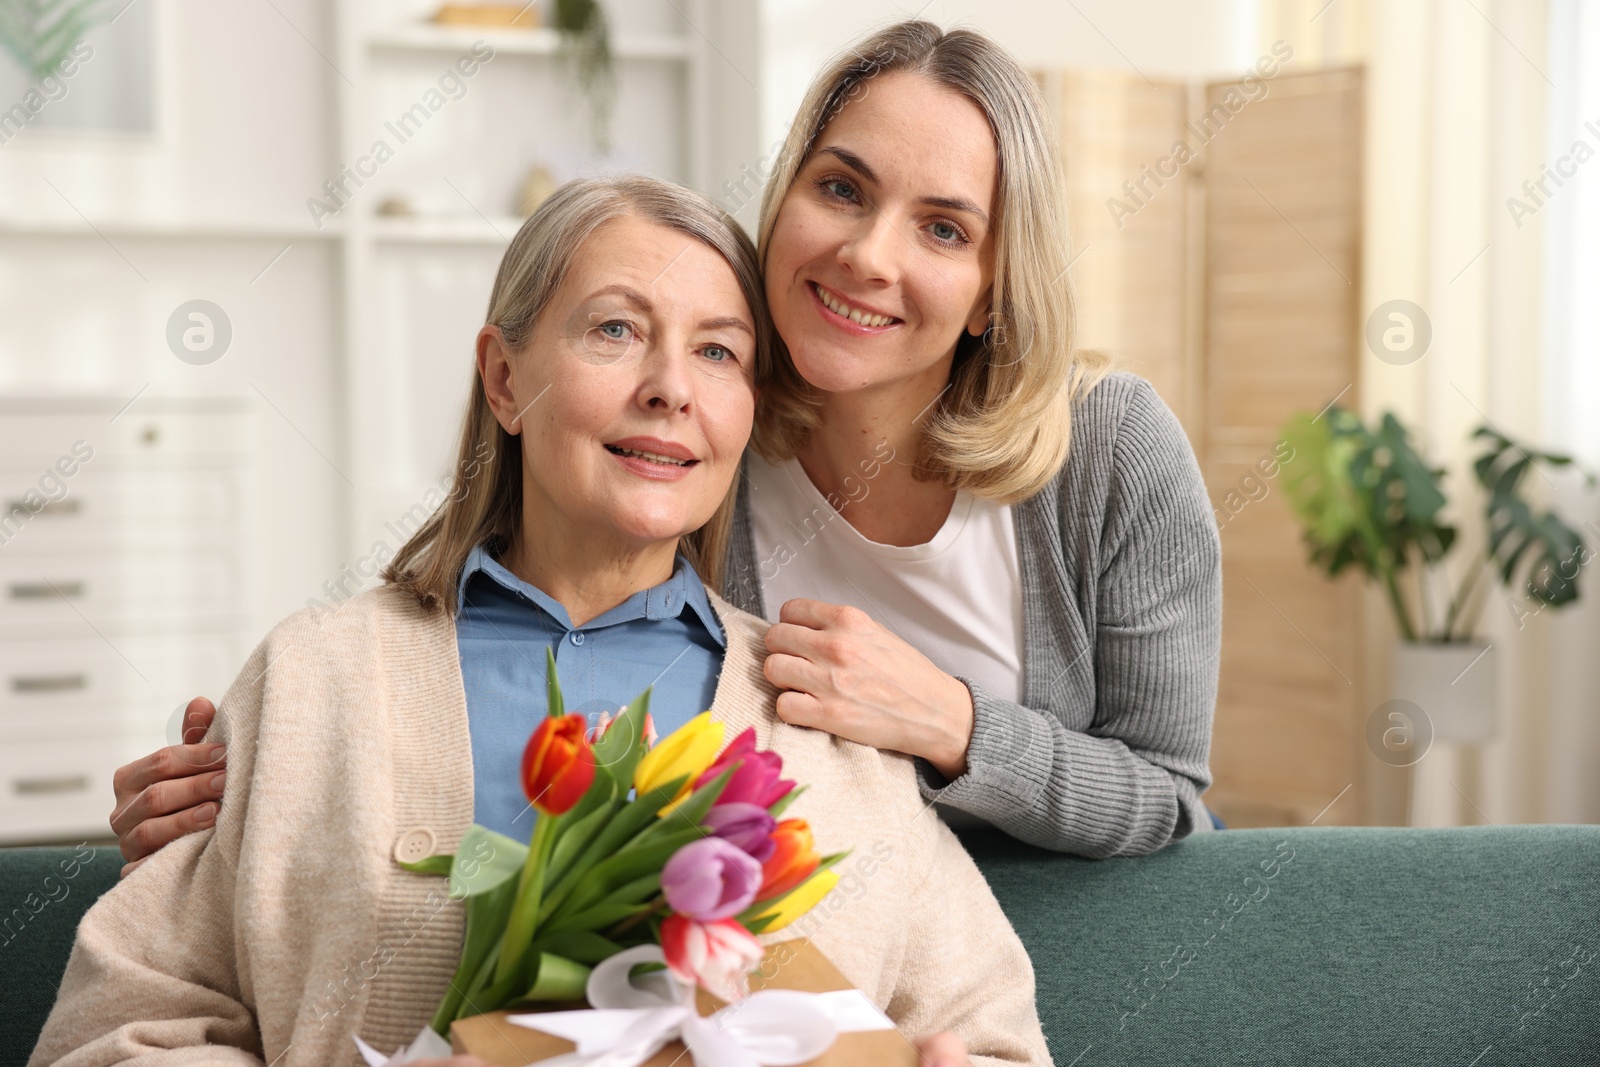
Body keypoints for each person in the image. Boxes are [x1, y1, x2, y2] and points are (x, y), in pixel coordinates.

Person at [110, 19, 1221, 868]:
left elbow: (1171, 798)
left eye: (943, 228)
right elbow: (487, 597)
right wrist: (256, 783)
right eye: (841, 188)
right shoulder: (702, 428)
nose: (869, 255)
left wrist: (954, 724)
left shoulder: (1109, 450)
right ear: (785, 201)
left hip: (1000, 956)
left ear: (991, 289)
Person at [30, 177, 1046, 1067]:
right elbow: (118, 1029)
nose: (669, 387)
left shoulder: (825, 711)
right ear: (506, 378)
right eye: (615, 329)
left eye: (718, 352)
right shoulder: (318, 675)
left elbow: (993, 1036)